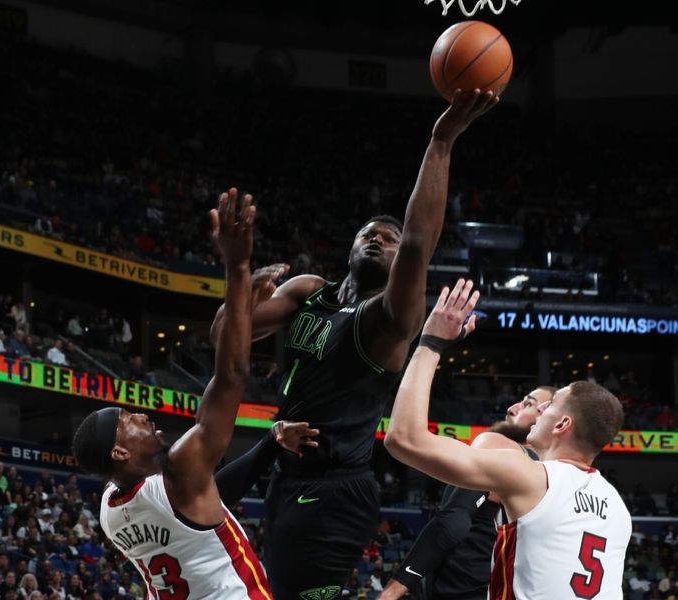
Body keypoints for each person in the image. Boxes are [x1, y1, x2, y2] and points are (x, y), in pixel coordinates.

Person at [213, 90, 499, 600]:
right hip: (286, 473)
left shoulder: (386, 319)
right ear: (348, 247)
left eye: (388, 239)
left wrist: (441, 141)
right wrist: (241, 279)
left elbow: (417, 241)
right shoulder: (307, 290)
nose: (378, 239)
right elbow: (223, 340)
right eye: (369, 234)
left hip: (335, 488)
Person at [72, 189, 271, 598]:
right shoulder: (180, 472)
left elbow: (210, 492)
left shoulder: (111, 510)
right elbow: (232, 375)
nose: (142, 417)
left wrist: (269, 445)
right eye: (128, 421)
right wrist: (238, 266)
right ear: (119, 453)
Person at [384, 279, 631, 600]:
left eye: (550, 405)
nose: (541, 407)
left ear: (563, 424)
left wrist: (430, 344)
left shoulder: (528, 474)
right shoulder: (618, 508)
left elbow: (403, 439)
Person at [379, 387, 555, 600]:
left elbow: (454, 521)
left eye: (528, 404)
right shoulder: (559, 476)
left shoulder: (498, 445)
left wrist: (393, 590)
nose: (511, 408)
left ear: (549, 418)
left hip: (463, 586)